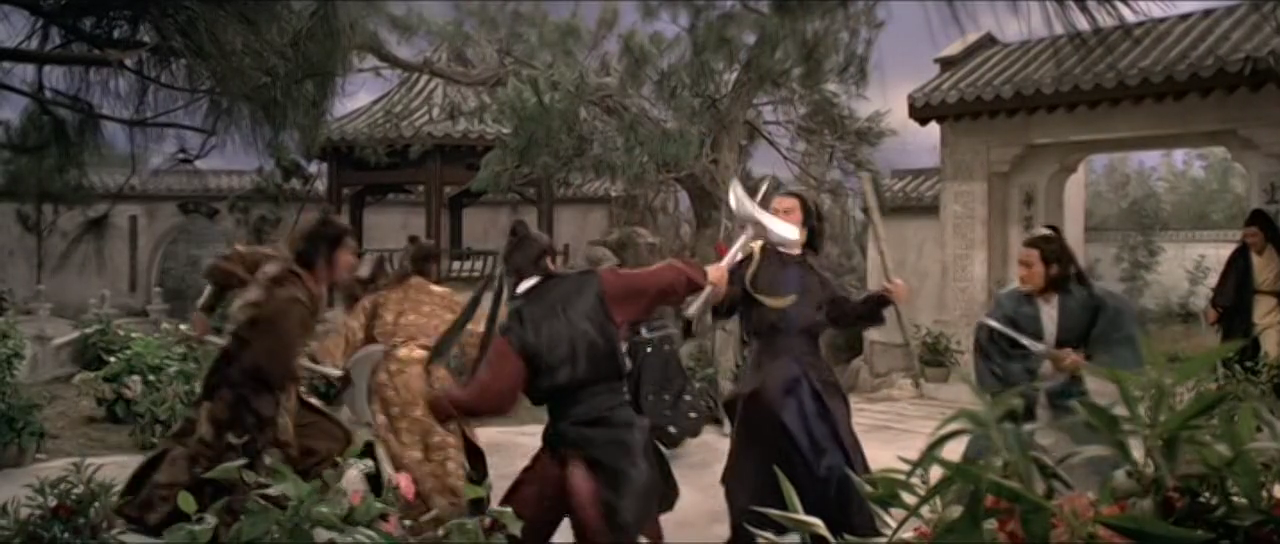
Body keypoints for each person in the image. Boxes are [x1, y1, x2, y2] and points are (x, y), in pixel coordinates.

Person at [428, 219, 729, 543]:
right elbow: (661, 278)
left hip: (567, 438)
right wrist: (702, 274)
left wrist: (444, 401)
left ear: (512, 274)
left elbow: (492, 397)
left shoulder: (518, 323)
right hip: (617, 439)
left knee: (513, 530)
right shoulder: (596, 285)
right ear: (550, 260)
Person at [116, 215, 361, 535]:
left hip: (263, 383)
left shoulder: (308, 285)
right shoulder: (288, 291)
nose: (354, 261)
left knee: (324, 439)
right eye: (348, 252)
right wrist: (205, 308)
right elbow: (227, 266)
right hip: (244, 386)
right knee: (212, 456)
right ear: (325, 251)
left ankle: (277, 517)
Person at [709, 189, 908, 543]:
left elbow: (843, 314)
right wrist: (720, 289)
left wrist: (882, 298)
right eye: (773, 210)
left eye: (787, 211)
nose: (778, 215)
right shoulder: (752, 262)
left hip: (812, 372)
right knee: (759, 460)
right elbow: (728, 304)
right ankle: (761, 529)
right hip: (767, 371)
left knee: (831, 453)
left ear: (805, 225)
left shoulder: (815, 275)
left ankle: (831, 528)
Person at [310, 237, 490, 533]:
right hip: (434, 378)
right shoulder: (449, 298)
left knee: (404, 458)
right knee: (444, 454)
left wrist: (316, 366)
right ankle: (451, 527)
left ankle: (411, 526)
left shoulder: (380, 298)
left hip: (390, 378)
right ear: (434, 266)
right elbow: (477, 341)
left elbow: (340, 344)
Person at [965, 225, 1143, 493]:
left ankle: (1119, 502)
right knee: (985, 450)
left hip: (1069, 393)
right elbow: (993, 350)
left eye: (1029, 266)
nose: (1021, 273)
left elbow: (1114, 328)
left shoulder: (1084, 299)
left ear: (1054, 269)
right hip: (1018, 396)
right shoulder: (1008, 305)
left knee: (1105, 448)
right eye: (1019, 265)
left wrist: (1084, 359)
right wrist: (1045, 364)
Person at [1208, 209, 1280, 386]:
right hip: (1244, 310)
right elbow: (1229, 282)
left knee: (1274, 354)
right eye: (1246, 236)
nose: (1250, 241)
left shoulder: (1277, 251)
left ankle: (1268, 389)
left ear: (1265, 234)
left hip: (1273, 310)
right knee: (1237, 355)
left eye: (1254, 235)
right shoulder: (1241, 256)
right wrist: (1217, 307)